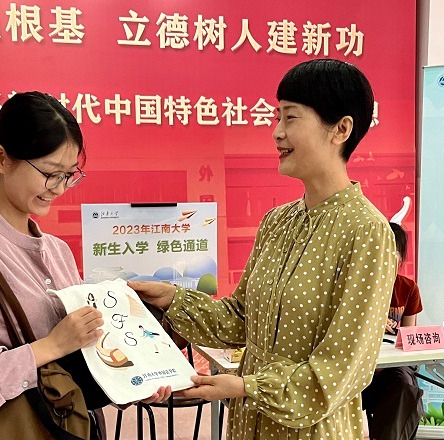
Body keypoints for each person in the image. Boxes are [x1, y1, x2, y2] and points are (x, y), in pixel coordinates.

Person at [129, 59, 398, 439]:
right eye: (277, 117)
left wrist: (247, 386)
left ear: (341, 129)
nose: (277, 132)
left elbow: (343, 367)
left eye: (291, 118)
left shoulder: (367, 231)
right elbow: (240, 320)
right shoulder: (277, 221)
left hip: (313, 430)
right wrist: (172, 299)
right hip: (249, 423)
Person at [0, 92, 170, 437]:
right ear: (1, 158)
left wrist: (132, 379)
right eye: (49, 173)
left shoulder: (58, 251)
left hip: (72, 427)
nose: (59, 188)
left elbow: (78, 360)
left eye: (69, 175)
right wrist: (51, 346)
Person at [362, 222, 424, 440]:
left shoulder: (408, 289)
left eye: (393, 252)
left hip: (393, 367)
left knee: (404, 386)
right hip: (358, 365)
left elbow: (409, 338)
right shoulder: (356, 288)